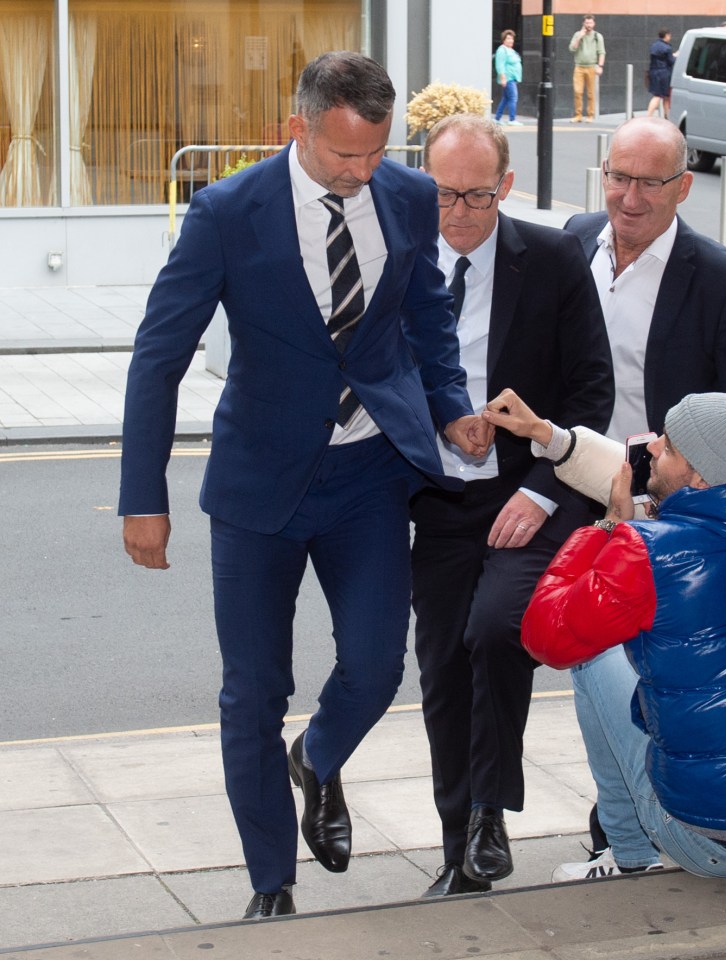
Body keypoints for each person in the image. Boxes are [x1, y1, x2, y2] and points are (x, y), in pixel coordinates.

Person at [119, 52, 492, 920]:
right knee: (253, 690)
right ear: (298, 128)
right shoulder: (225, 212)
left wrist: (450, 408)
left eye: (375, 155)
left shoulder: (404, 196)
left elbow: (425, 312)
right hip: (260, 487)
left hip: (369, 474)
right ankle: (269, 883)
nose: (361, 175)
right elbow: (158, 355)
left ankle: (317, 761)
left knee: (372, 666)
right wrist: (144, 495)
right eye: (341, 158)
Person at [484, 390, 726, 882]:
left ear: (702, 478)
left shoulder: (645, 552)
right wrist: (548, 436)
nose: (654, 451)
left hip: (711, 844)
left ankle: (629, 855)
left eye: (669, 449)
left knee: (593, 658)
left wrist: (605, 528)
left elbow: (545, 636)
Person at [412, 113, 614, 896]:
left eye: (475, 196)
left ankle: (491, 809)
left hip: (524, 492)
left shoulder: (555, 259)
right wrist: (436, 418)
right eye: (441, 196)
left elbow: (590, 388)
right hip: (435, 493)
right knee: (438, 664)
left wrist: (539, 486)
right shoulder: (401, 257)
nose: (458, 214)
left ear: (505, 186)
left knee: (496, 629)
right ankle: (457, 843)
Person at [564, 116, 726, 449]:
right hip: (561, 479)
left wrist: (675, 475)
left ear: (683, 186)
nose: (630, 199)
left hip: (656, 492)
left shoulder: (723, 281)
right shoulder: (576, 236)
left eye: (650, 183)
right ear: (604, 173)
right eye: (619, 177)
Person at [568, 15, 606, 123]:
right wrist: (580, 37)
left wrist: (600, 66)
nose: (588, 25)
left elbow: (602, 52)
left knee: (590, 93)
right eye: (586, 23)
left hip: (591, 66)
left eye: (590, 23)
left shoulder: (597, 36)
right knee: (577, 91)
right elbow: (571, 49)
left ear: (594, 24)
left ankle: (590, 115)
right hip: (579, 66)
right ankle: (578, 114)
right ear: (583, 24)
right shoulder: (577, 34)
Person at [494, 29, 523, 126]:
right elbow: (500, 65)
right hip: (508, 78)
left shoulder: (511, 50)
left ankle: (497, 118)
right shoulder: (502, 50)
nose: (511, 40)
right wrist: (503, 78)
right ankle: (512, 119)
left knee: (506, 98)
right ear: (504, 40)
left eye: (512, 39)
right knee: (513, 98)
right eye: (508, 38)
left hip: (512, 78)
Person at [647, 29, 676, 118]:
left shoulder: (654, 45)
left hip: (654, 72)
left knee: (663, 96)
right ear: (666, 35)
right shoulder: (667, 48)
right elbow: (671, 61)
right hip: (664, 73)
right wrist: (675, 57)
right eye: (669, 36)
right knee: (659, 96)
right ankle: (649, 116)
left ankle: (667, 116)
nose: (670, 38)